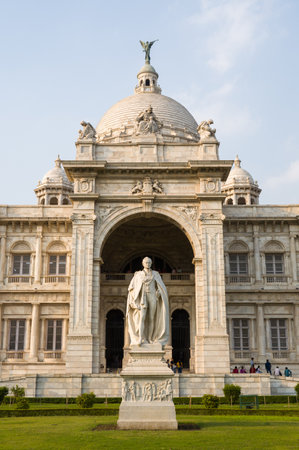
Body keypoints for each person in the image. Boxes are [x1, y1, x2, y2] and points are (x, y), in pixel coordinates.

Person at [126, 257, 169, 346]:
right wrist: (133, 299)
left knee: (151, 318)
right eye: (146, 262)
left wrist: (159, 292)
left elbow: (161, 286)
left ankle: (150, 339)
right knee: (142, 317)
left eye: (149, 262)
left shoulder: (156, 274)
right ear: (143, 263)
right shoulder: (138, 275)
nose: (148, 264)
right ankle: (141, 338)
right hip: (142, 298)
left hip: (153, 297)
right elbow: (131, 287)